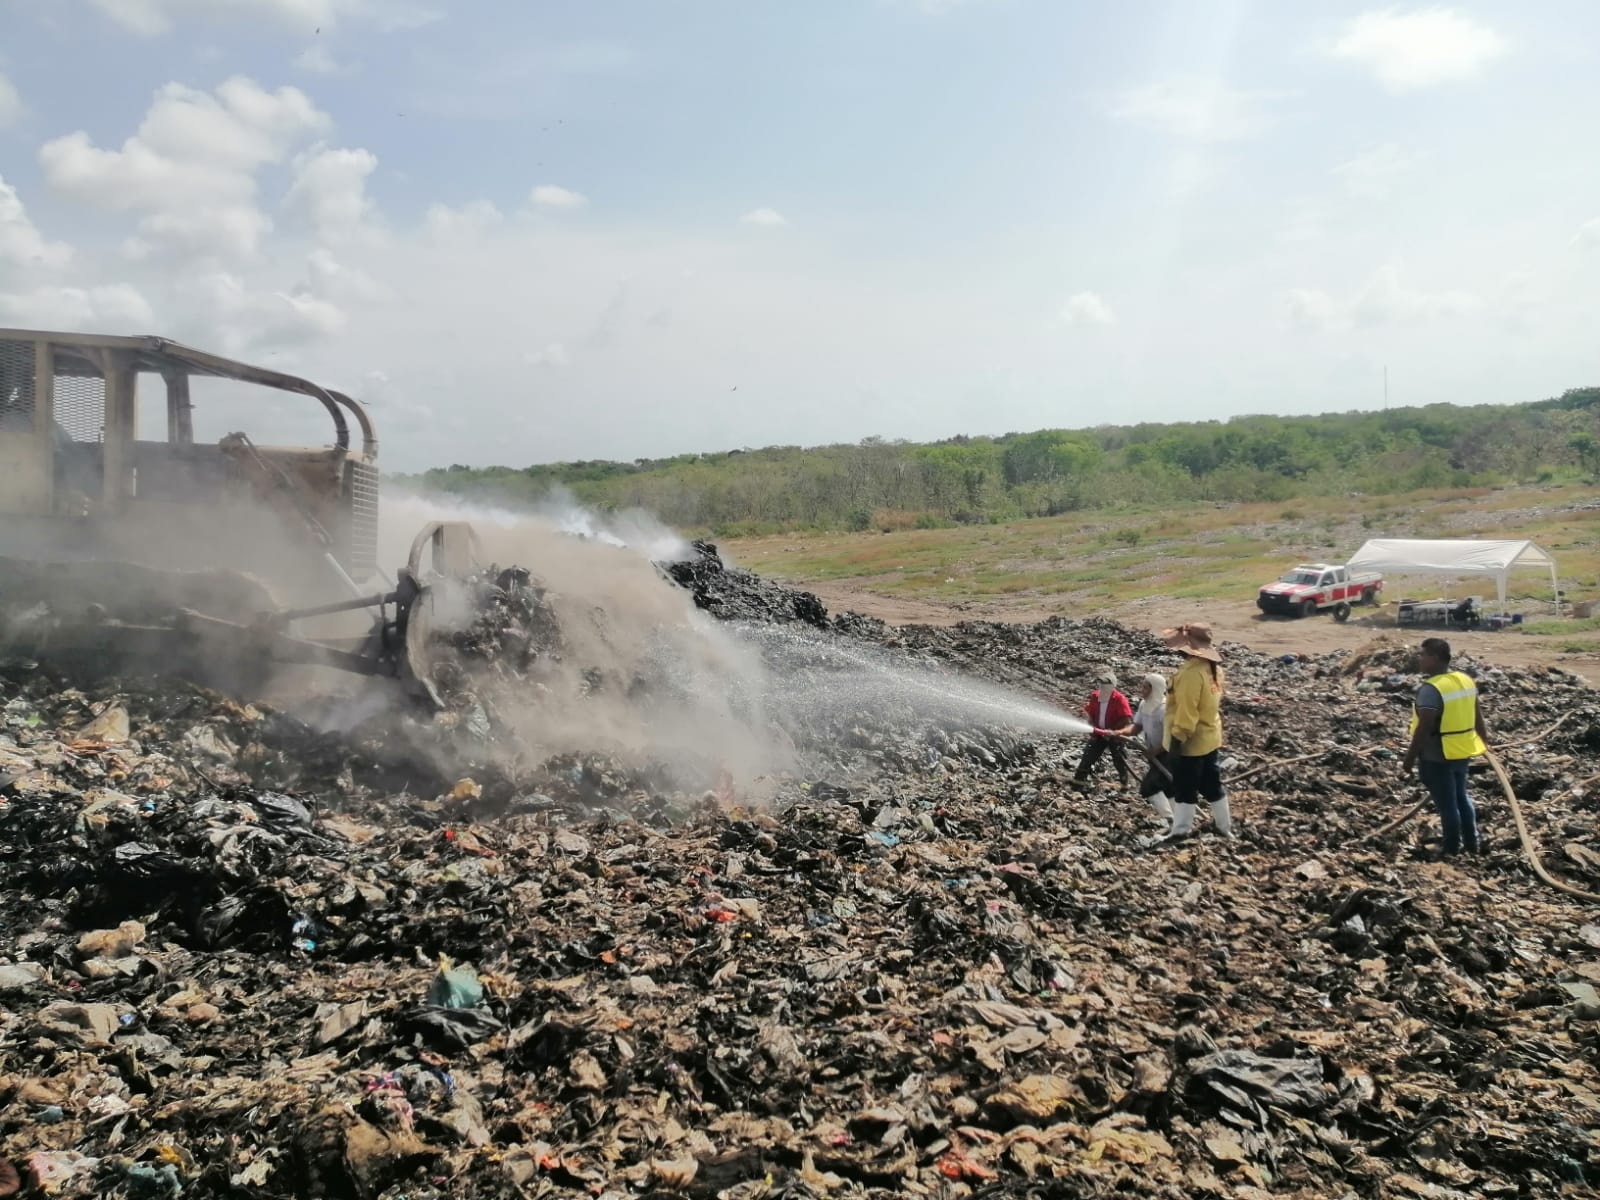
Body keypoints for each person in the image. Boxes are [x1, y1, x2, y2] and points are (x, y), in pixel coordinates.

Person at [1402, 637, 1488, 856]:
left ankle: (1451, 849)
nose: (1419, 659)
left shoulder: (1432, 689)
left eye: (1423, 655)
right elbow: (1478, 717)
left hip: (1437, 755)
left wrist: (1409, 759)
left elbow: (1424, 727)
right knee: (1461, 798)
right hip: (1461, 750)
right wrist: (1484, 743)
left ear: (1436, 658)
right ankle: (1471, 844)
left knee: (1448, 804)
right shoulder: (1465, 680)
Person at [1161, 623, 1231, 839]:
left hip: (1190, 744)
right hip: (1209, 739)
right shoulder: (1214, 669)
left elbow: (1186, 711)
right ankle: (1224, 828)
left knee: (1185, 789)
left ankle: (1181, 831)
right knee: (1213, 785)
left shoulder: (1191, 674)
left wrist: (1176, 741)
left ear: (1189, 645)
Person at [1121, 673, 1174, 822]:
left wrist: (1154, 752)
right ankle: (1180, 824)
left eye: (1145, 687)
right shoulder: (1145, 705)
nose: (1141, 690)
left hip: (1169, 754)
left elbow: (1170, 739)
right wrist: (1118, 733)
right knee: (1169, 789)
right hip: (1155, 754)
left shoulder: (1165, 709)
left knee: (1149, 787)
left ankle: (1171, 819)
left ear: (1155, 689)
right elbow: (1136, 727)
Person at [1074, 669, 1133, 788]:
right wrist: (1092, 728)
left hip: (1115, 735)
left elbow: (1127, 720)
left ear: (1112, 687)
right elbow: (1090, 713)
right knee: (1088, 756)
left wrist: (1114, 731)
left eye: (1105, 686)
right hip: (1099, 734)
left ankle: (1124, 784)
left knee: (1119, 760)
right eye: (1101, 685)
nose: (1102, 688)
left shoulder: (1120, 700)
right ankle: (1078, 781)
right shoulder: (1095, 696)